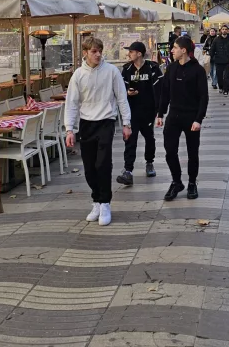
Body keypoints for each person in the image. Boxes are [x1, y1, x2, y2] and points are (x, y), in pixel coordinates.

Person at [65, 37, 132, 227]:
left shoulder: (111, 71)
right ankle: (96, 201)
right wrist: (69, 129)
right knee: (89, 167)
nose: (98, 54)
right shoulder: (78, 75)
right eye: (94, 51)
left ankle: (105, 203)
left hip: (106, 122)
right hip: (87, 123)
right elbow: (72, 103)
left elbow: (121, 98)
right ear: (85, 52)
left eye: (100, 50)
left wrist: (126, 123)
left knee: (103, 164)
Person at [156, 36, 209, 201]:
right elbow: (165, 92)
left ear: (184, 50)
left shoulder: (198, 70)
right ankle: (176, 181)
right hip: (174, 116)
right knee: (170, 151)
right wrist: (160, 114)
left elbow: (203, 97)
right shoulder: (171, 68)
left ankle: (192, 183)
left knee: (193, 153)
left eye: (175, 47)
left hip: (191, 117)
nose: (172, 50)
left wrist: (198, 119)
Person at [117, 42, 162, 186]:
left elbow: (159, 89)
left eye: (131, 51)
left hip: (148, 110)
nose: (129, 54)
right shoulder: (126, 69)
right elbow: (120, 89)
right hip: (131, 111)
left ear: (139, 54)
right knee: (130, 140)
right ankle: (128, 170)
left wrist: (159, 111)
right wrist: (128, 92)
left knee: (149, 138)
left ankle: (149, 162)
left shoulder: (152, 68)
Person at [210, 25, 229, 95]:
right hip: (218, 61)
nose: (224, 30)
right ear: (221, 30)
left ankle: (226, 90)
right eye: (223, 29)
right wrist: (213, 57)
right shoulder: (216, 39)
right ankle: (221, 87)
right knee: (219, 76)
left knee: (226, 76)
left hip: (227, 61)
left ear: (227, 30)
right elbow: (212, 50)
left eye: (225, 29)